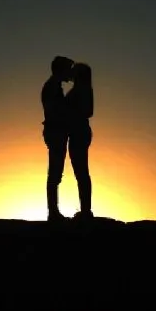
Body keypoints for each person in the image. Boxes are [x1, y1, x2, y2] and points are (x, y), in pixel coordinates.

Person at [41, 55, 74, 221]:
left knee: (55, 173)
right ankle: (53, 213)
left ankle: (53, 212)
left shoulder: (54, 86)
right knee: (55, 173)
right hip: (55, 132)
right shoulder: (52, 87)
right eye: (68, 69)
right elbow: (54, 111)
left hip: (55, 131)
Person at [65, 62, 94, 220]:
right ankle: (85, 209)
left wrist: (70, 113)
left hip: (79, 132)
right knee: (81, 172)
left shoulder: (82, 90)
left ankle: (86, 211)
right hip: (79, 132)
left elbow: (88, 111)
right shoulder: (82, 89)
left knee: (81, 172)